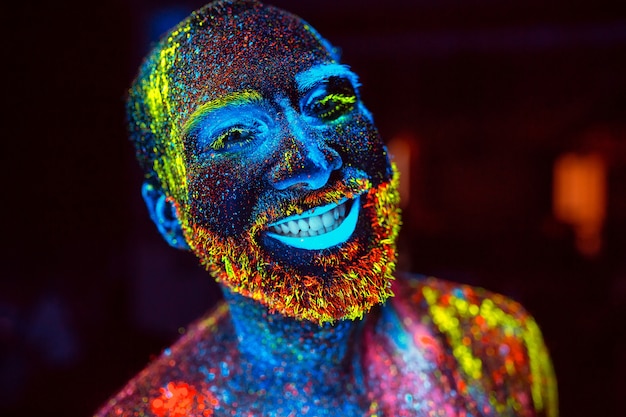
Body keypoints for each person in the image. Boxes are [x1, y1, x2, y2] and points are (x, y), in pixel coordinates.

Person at [96, 1, 558, 415]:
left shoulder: (495, 341)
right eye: (235, 137)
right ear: (171, 217)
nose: (315, 166)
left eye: (329, 102)